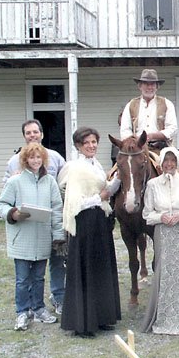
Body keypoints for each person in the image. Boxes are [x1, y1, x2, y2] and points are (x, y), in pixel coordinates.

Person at [58, 127, 122, 338]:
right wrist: (100, 197)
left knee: (101, 268)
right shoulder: (75, 168)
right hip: (84, 223)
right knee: (86, 270)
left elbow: (105, 190)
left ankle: (102, 316)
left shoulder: (96, 165)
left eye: (94, 142)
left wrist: (119, 179)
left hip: (99, 221)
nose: (91, 146)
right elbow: (75, 202)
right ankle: (83, 323)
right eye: (87, 143)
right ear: (78, 146)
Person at [0, 143, 65, 331]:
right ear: (25, 160)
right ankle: (22, 312)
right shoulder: (15, 182)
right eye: (32, 157)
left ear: (43, 159)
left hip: (42, 238)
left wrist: (58, 236)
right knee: (22, 278)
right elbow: (0, 204)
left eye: (38, 157)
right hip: (22, 238)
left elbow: (57, 209)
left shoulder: (50, 182)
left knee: (39, 277)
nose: (35, 161)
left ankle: (39, 308)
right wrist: (13, 213)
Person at [3, 119, 67, 315]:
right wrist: (14, 213)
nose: (32, 135)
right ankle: (26, 307)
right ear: (24, 136)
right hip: (26, 227)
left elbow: (64, 185)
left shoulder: (55, 157)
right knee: (26, 272)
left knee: (53, 264)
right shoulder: (14, 162)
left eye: (35, 132)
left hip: (48, 224)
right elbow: (5, 193)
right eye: (28, 133)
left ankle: (57, 298)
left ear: (42, 134)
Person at [140, 146, 179, 335]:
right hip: (163, 233)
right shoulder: (153, 185)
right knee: (165, 272)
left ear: (177, 162)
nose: (169, 164)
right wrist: (161, 218)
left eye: (172, 161)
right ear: (161, 163)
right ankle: (165, 316)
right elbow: (147, 214)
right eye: (166, 161)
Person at [120, 69, 178, 153]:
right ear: (139, 86)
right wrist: (136, 139)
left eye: (152, 84)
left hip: (161, 149)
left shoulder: (167, 104)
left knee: (172, 164)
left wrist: (154, 136)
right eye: (146, 84)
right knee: (118, 165)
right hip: (136, 149)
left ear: (157, 86)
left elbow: (173, 128)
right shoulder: (130, 105)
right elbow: (125, 130)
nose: (149, 87)